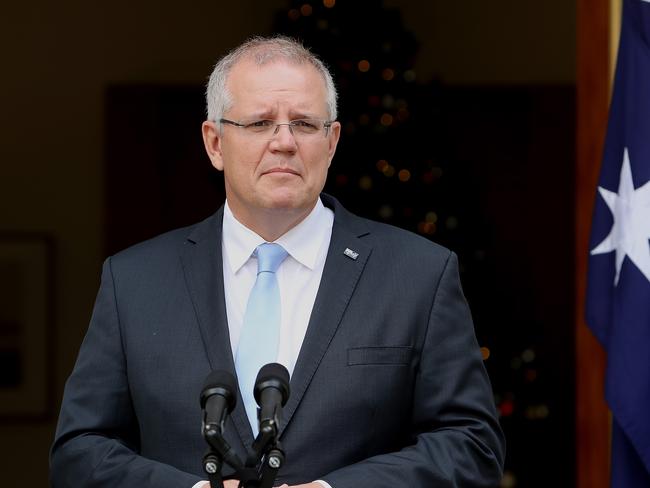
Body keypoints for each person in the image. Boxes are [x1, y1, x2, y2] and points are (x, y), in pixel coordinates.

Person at [50, 36, 505, 488]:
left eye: (305, 124)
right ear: (215, 143)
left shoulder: (418, 275)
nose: (284, 142)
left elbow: (472, 445)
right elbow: (80, 451)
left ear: (332, 142)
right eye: (259, 123)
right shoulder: (135, 281)